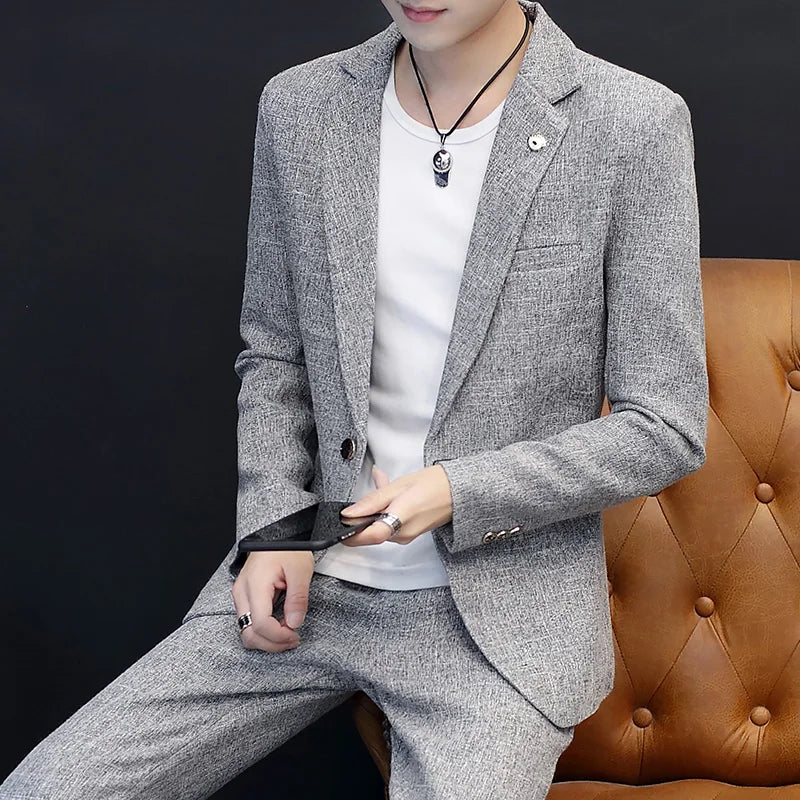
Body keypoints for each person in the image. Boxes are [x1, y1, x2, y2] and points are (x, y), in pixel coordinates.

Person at [0, 0, 708, 797]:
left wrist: (457, 490)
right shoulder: (302, 105)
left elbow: (665, 426)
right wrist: (272, 528)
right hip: (311, 577)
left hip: (495, 626)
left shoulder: (633, 122)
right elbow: (275, 350)